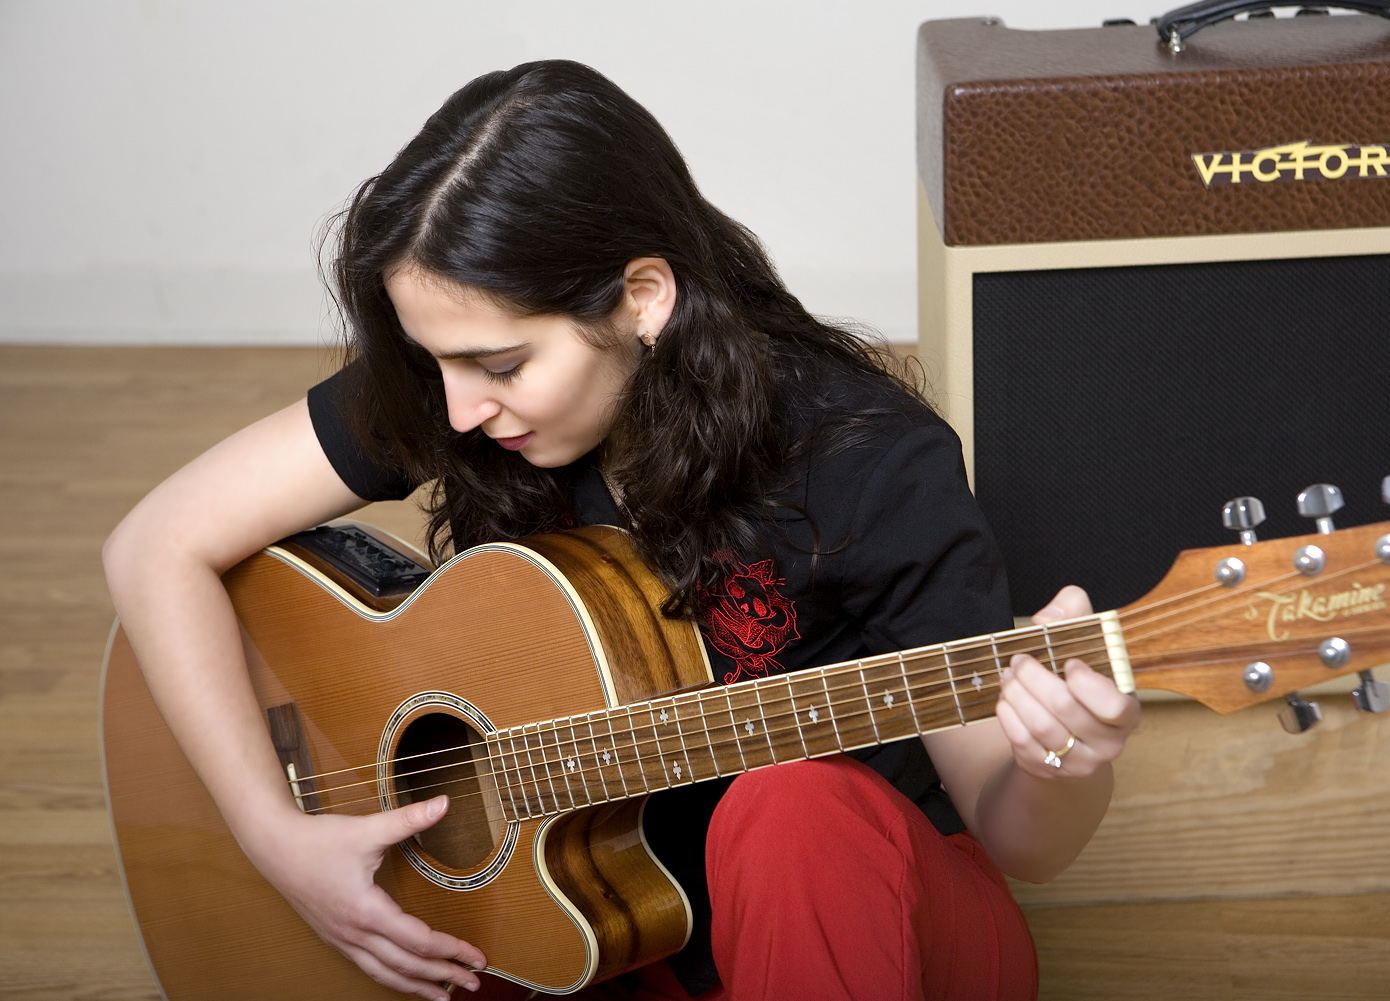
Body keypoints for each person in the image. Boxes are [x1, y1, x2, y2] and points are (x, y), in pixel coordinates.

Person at [103, 60, 1139, 1001]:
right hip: (607, 921)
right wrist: (276, 835)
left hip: (869, 923)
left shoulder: (867, 458)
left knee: (791, 807)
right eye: (434, 364)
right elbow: (154, 545)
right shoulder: (458, 380)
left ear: (643, 299)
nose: (457, 411)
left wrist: (1063, 763)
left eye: (502, 367)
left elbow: (1017, 840)